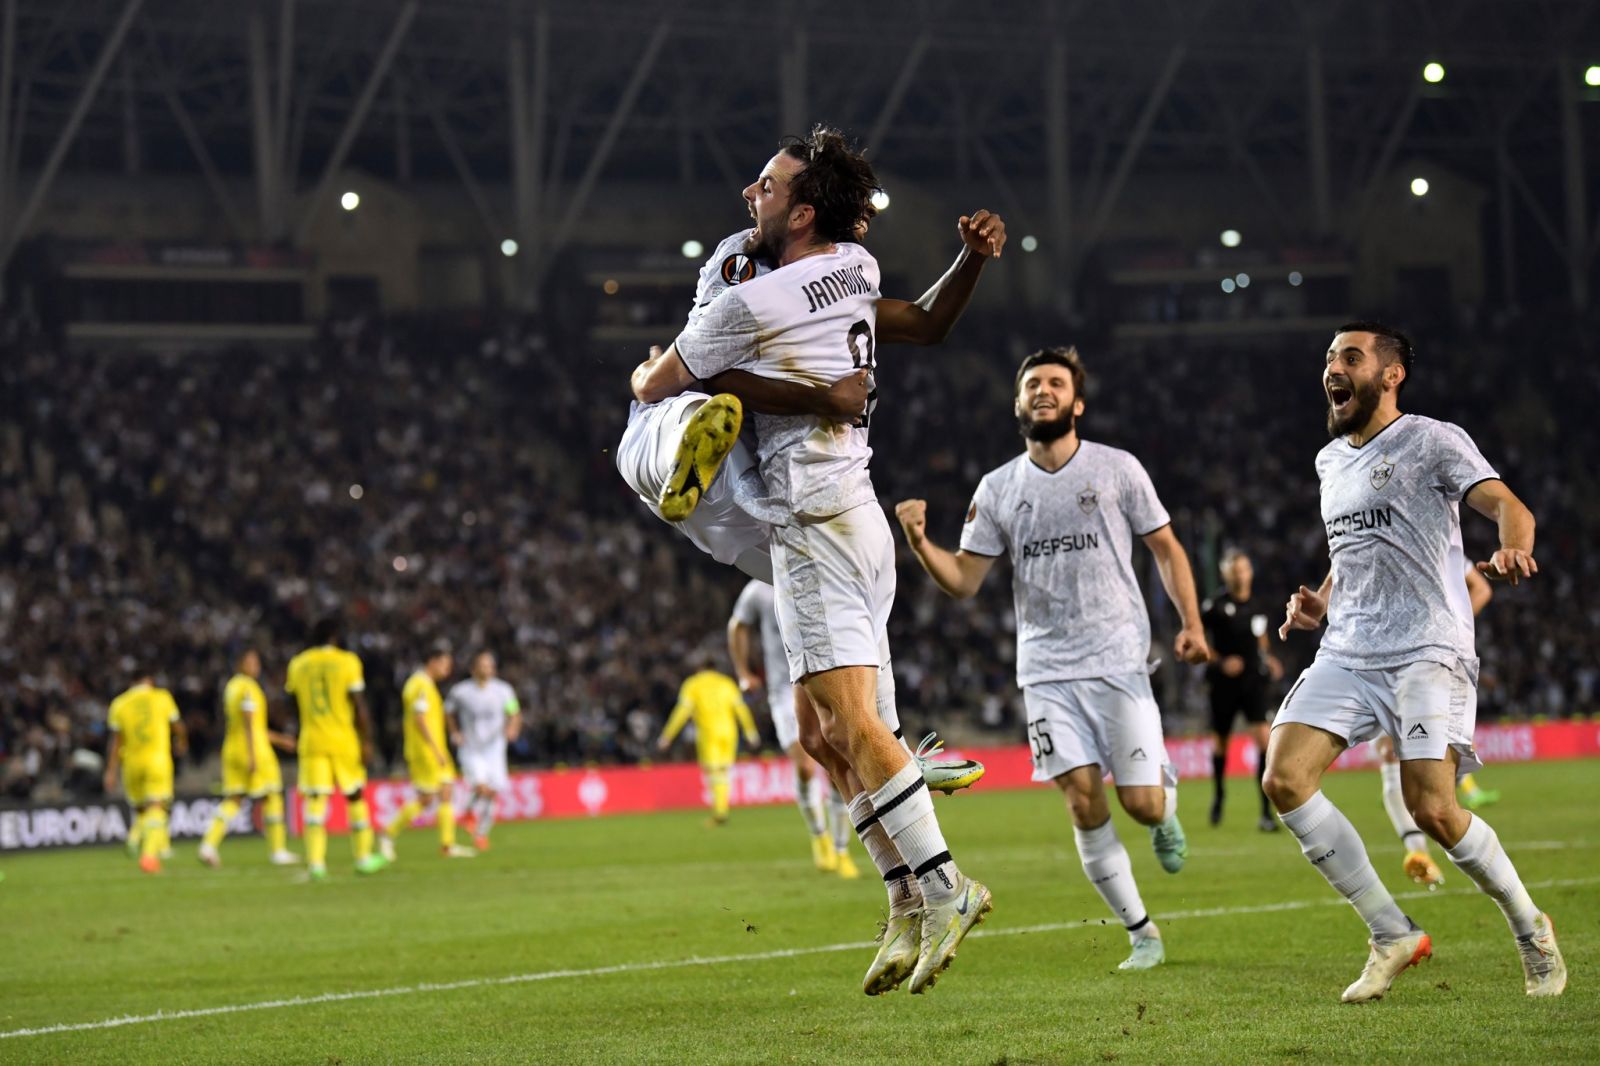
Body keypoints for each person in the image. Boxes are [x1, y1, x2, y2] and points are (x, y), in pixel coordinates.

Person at [631, 127, 993, 995]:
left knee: (852, 729)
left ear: (800, 213)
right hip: (855, 518)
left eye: (765, 185)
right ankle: (905, 900)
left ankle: (948, 886)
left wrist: (684, 373)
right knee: (822, 736)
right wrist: (971, 260)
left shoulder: (749, 301)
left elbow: (654, 380)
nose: (748, 195)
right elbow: (923, 322)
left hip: (813, 526)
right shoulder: (855, 269)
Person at [1268, 321, 1565, 1001]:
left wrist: (1514, 548)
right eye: (1329, 358)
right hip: (1349, 648)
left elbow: (1508, 506)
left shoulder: (1432, 440)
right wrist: (1320, 602)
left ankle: (1530, 926)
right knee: (1284, 779)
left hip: (1427, 648)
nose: (1333, 369)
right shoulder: (1329, 461)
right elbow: (1352, 550)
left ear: (1391, 373)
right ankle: (1391, 932)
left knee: (1432, 809)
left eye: (1350, 357)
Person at [895, 346, 1209, 973]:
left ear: (1077, 403)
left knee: (1142, 805)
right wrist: (921, 543)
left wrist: (1192, 623)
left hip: (1119, 660)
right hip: (1045, 671)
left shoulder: (1117, 469)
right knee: (1082, 802)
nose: (1043, 390)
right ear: (1018, 403)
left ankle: (1163, 813)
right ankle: (1142, 933)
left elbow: (1167, 548)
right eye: (1033, 383)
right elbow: (964, 580)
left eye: (1056, 383)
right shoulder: (998, 488)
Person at [1377, 560, 1495, 888]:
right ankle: (1418, 851)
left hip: (1424, 656)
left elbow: (1482, 588)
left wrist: (1451, 626)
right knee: (1394, 753)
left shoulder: (1439, 544)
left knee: (1427, 756)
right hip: (1387, 652)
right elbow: (1482, 588)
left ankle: (1511, 896)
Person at [729, 579, 858, 877]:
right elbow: (737, 626)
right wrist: (743, 672)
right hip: (784, 690)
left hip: (823, 683)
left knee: (838, 767)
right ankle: (819, 835)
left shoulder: (816, 576)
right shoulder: (759, 589)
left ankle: (841, 849)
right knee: (805, 767)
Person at [285, 616, 386, 881]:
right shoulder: (347, 661)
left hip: (312, 740)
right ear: (335, 636)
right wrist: (367, 740)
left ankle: (316, 864)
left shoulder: (298, 664)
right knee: (355, 795)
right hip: (343, 740)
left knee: (315, 800)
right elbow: (359, 705)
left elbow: (292, 703)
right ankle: (363, 858)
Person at [1199, 548, 1283, 831]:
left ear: (1250, 572)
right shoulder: (1213, 607)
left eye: (1244, 569)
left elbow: (1261, 638)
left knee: (1264, 741)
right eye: (1235, 571)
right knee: (1220, 743)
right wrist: (1221, 661)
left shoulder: (1258, 605)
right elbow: (1199, 642)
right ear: (1225, 574)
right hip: (1222, 684)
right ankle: (1219, 796)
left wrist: (1268, 658)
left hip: (1252, 681)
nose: (1240, 575)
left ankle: (1265, 813)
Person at [199, 648, 298, 867]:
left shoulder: (231, 687)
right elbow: (249, 722)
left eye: (257, 661)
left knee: (234, 799)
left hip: (232, 749)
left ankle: (208, 845)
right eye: (252, 662)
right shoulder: (248, 688)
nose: (256, 666)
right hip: (254, 751)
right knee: (272, 796)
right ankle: (278, 850)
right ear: (240, 664)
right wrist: (252, 755)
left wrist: (281, 740)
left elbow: (252, 727)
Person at [379, 645, 475, 861]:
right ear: (432, 661)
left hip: (434, 749)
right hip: (424, 750)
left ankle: (447, 845)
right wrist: (434, 749)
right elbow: (420, 718)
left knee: (446, 791)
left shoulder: (426, 684)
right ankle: (387, 833)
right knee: (426, 799)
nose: (447, 670)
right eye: (445, 664)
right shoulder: (419, 684)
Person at [657, 657, 761, 825]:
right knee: (723, 771)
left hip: (708, 733)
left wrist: (667, 735)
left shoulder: (693, 684)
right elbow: (740, 709)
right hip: (729, 733)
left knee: (713, 772)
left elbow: (682, 711)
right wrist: (751, 732)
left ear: (700, 668)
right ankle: (722, 809)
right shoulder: (727, 683)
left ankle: (720, 812)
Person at [103, 671, 188, 874]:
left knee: (142, 810)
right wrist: (182, 741)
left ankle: (134, 839)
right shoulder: (162, 697)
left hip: (131, 763)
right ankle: (149, 856)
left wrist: (111, 771)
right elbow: (178, 726)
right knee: (157, 807)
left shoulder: (119, 703)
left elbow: (116, 742)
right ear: (149, 680)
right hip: (157, 760)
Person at [445, 650, 522, 852]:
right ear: (473, 668)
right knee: (481, 788)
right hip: (471, 747)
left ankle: (480, 833)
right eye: (483, 665)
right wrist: (455, 732)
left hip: (495, 749)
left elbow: (514, 712)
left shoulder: (503, 690)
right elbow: (448, 712)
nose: (488, 669)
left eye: (490, 665)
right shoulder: (460, 691)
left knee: (492, 792)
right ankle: (470, 813)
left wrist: (513, 728)